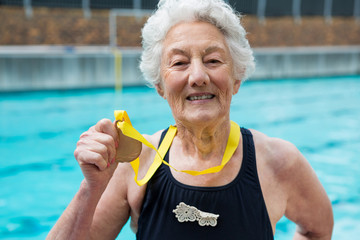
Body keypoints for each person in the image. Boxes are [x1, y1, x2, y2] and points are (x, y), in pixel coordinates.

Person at [47, 0, 333, 239]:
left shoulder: (278, 162)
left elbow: (318, 230)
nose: (197, 77)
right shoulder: (136, 163)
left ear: (236, 78)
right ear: (160, 85)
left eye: (213, 61)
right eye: (180, 63)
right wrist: (91, 187)